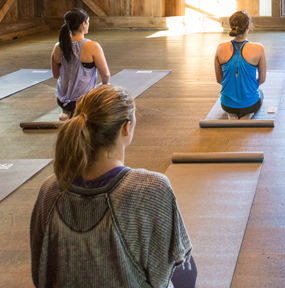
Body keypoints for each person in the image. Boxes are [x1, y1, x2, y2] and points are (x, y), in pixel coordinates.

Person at [30, 84, 195, 288]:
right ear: (126, 128)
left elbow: (40, 272)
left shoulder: (50, 190)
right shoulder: (151, 189)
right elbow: (172, 273)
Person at [51, 9, 110, 121]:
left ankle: (66, 111)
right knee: (107, 91)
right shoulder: (92, 46)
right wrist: (105, 85)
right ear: (83, 24)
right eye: (88, 22)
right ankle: (80, 114)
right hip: (83, 101)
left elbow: (56, 75)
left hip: (61, 101)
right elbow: (105, 75)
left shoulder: (58, 46)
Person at [214, 11, 267, 119]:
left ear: (231, 26)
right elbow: (262, 79)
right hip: (250, 105)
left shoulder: (220, 48)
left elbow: (219, 80)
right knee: (260, 93)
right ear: (248, 26)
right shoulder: (259, 48)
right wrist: (248, 89)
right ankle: (248, 113)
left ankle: (232, 113)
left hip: (227, 105)